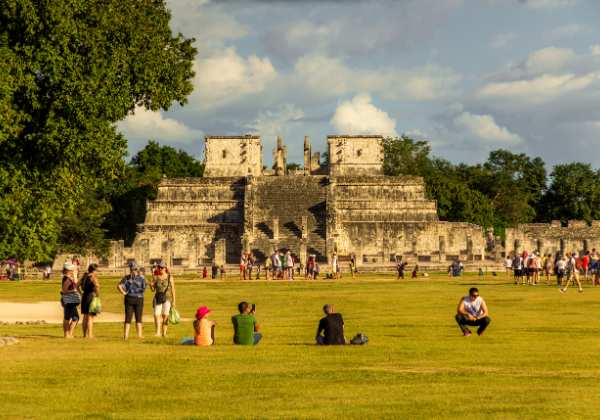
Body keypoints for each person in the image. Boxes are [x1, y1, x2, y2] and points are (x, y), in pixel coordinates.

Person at [117, 261, 147, 340]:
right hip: (137, 298)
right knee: (134, 317)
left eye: (135, 269)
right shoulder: (140, 278)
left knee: (134, 317)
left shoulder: (127, 277)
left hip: (132, 298)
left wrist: (124, 292)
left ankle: (130, 335)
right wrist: (124, 292)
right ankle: (131, 335)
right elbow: (144, 288)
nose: (134, 270)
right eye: (134, 269)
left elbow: (119, 286)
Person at [150, 261, 176, 337]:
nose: (160, 269)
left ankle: (164, 333)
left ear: (165, 268)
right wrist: (151, 285)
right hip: (158, 297)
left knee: (165, 315)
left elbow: (173, 290)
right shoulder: (156, 277)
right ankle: (158, 332)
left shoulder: (169, 277)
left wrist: (174, 301)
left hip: (167, 298)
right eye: (159, 267)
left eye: (162, 267)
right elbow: (153, 290)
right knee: (156, 315)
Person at [78, 263, 99, 339]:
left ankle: (84, 335)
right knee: (90, 317)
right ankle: (90, 335)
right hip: (91, 296)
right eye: (96, 270)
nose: (97, 272)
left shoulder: (84, 276)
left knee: (85, 316)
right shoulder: (93, 277)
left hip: (84, 297)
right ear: (93, 270)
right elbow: (97, 286)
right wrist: (97, 294)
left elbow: (77, 285)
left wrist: (81, 293)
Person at [61, 262, 81, 338]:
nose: (73, 271)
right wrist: (74, 291)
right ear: (68, 270)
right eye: (72, 269)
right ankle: (68, 334)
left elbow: (75, 283)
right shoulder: (67, 279)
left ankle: (68, 334)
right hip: (69, 301)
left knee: (69, 317)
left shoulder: (68, 278)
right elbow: (65, 290)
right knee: (74, 318)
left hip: (70, 301)